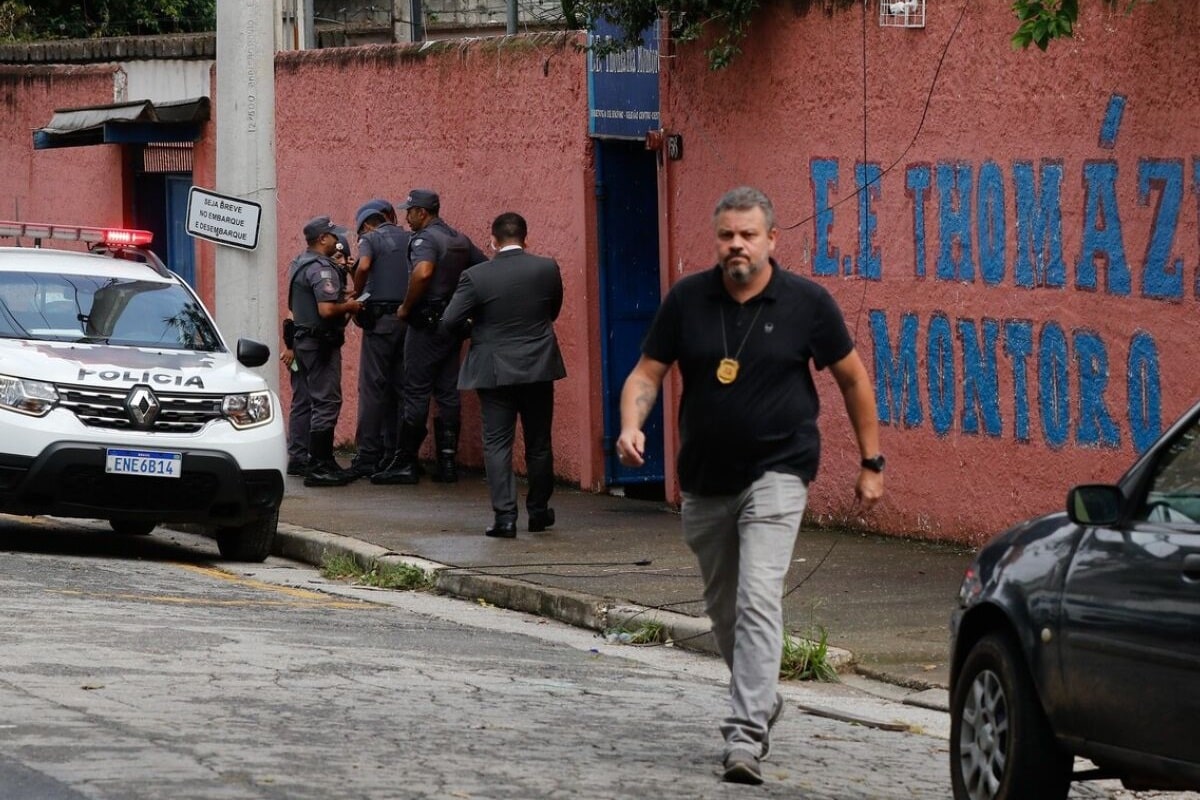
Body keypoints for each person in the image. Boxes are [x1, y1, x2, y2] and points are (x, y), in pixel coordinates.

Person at [615, 186, 884, 785]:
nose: (736, 244)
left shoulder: (807, 304)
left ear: (771, 240)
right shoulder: (688, 300)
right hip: (706, 480)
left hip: (780, 470)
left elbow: (853, 380)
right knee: (723, 608)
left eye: (748, 234)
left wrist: (873, 461)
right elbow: (646, 373)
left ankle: (745, 735)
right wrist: (632, 424)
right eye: (726, 235)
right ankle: (762, 696)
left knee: (759, 596)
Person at [441, 212, 566, 538]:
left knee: (497, 444)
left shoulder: (476, 276)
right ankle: (538, 512)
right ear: (526, 238)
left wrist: (478, 328)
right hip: (538, 365)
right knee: (539, 442)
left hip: (493, 368)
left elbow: (450, 321)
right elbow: (552, 310)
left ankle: (505, 518)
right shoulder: (546, 268)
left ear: (493, 240)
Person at [372, 189, 487, 485]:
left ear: (422, 212)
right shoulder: (458, 238)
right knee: (447, 390)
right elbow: (483, 269)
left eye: (409, 211)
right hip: (451, 324)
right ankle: (447, 463)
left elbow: (423, 272)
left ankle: (405, 463)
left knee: (416, 390)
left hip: (425, 324)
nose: (406, 218)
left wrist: (406, 307)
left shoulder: (425, 239)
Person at [286, 215, 364, 487]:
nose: (336, 240)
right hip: (320, 344)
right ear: (322, 239)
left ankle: (314, 459)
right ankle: (319, 465)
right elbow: (327, 309)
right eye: (333, 236)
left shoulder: (299, 262)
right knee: (327, 402)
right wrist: (350, 307)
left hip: (303, 341)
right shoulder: (322, 268)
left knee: (306, 399)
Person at [346, 200, 411, 479]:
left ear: (367, 225)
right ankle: (396, 454)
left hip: (380, 322)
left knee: (372, 389)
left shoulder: (371, 239)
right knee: (401, 388)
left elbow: (366, 266)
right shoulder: (410, 238)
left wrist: (355, 292)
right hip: (407, 321)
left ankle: (368, 456)